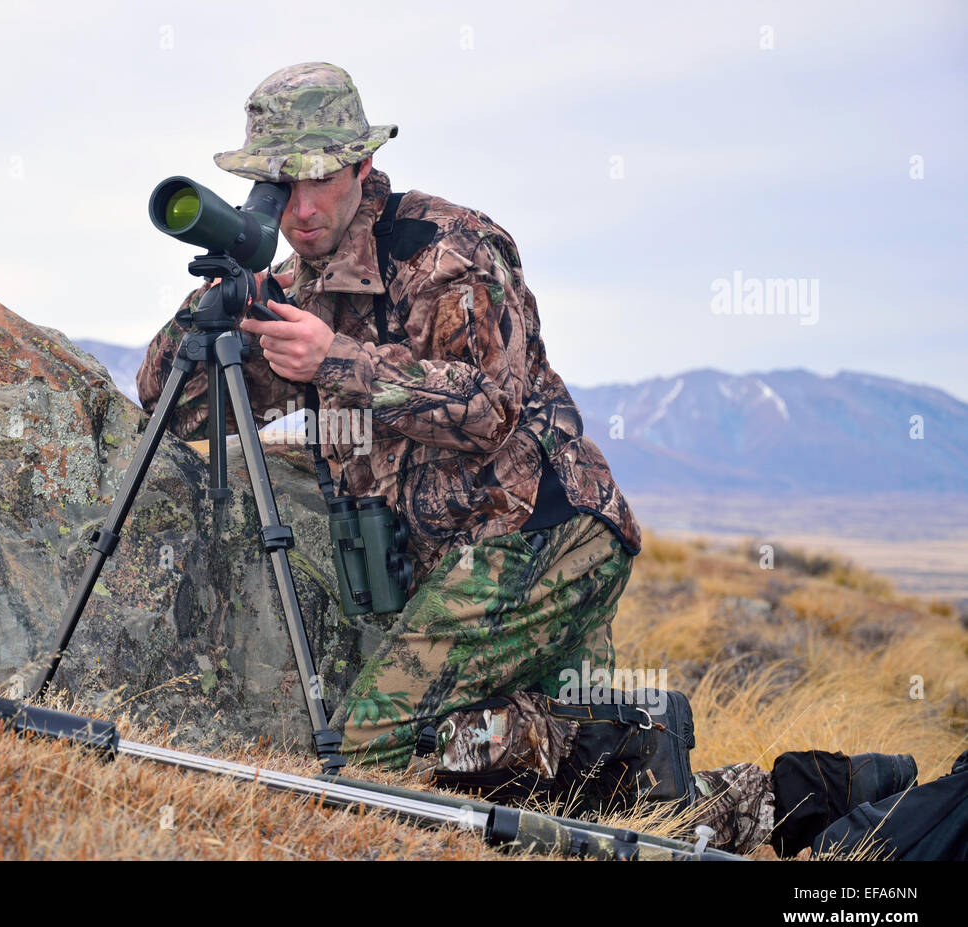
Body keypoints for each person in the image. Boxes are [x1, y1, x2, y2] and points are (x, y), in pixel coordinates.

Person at [137, 62, 914, 855]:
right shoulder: (296, 291)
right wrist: (220, 290)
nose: (301, 207)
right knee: (553, 775)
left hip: (544, 536)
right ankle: (806, 797)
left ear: (363, 166)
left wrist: (337, 360)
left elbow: (488, 410)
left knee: (369, 747)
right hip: (459, 564)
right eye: (280, 183)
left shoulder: (448, 250)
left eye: (321, 179)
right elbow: (180, 406)